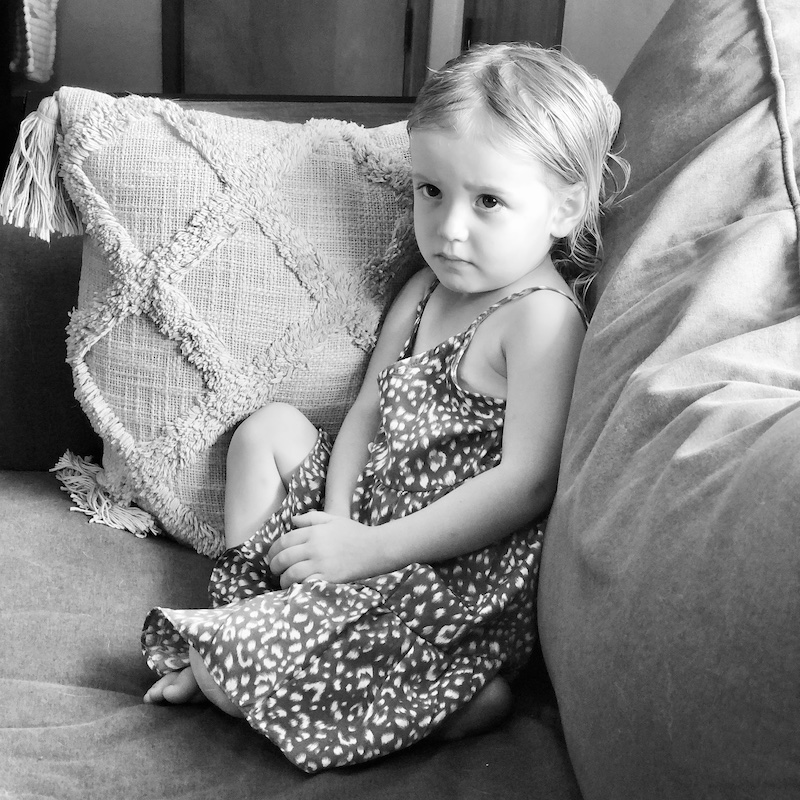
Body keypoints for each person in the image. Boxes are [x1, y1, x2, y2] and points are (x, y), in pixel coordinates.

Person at [141, 42, 628, 773]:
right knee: (266, 431)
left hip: (440, 569)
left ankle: (443, 691)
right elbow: (366, 411)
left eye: (488, 201)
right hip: (364, 519)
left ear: (563, 207)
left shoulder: (541, 322)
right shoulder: (427, 288)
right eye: (430, 191)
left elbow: (527, 483)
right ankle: (268, 612)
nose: (449, 227)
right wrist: (336, 527)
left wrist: (371, 552)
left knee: (217, 677)